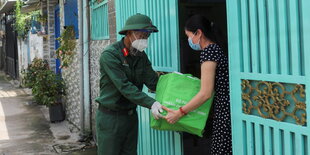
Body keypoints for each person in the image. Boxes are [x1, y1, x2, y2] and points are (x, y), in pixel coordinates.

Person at [95, 13, 164, 155]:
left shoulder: (141, 56)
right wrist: (151, 103)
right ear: (129, 33)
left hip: (131, 117)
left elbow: (152, 81)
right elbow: (124, 86)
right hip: (111, 119)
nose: (144, 39)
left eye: (147, 36)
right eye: (141, 35)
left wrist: (173, 83)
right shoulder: (110, 55)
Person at [163, 14, 232, 154]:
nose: (189, 40)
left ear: (199, 33)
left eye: (189, 36)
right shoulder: (218, 48)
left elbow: (205, 93)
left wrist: (179, 112)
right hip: (230, 107)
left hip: (225, 110)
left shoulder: (209, 52)